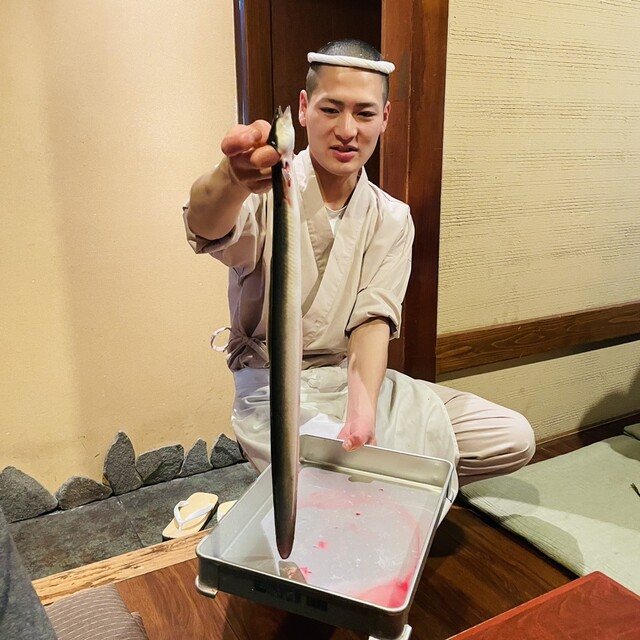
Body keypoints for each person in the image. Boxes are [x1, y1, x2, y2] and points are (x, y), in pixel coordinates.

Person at [183, 39, 535, 509]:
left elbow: (373, 319)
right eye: (331, 109)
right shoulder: (268, 193)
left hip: (354, 378)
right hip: (275, 389)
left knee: (511, 437)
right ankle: (366, 498)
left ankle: (366, 492)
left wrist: (363, 410)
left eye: (365, 113)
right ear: (304, 109)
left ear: (384, 118)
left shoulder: (392, 217)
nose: (347, 130)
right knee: (357, 481)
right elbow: (207, 225)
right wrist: (230, 179)